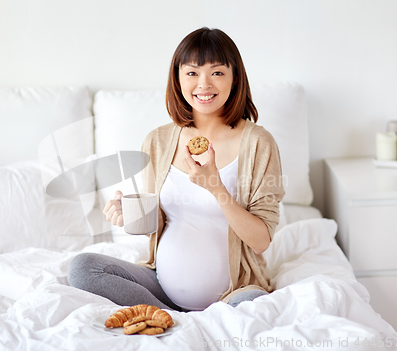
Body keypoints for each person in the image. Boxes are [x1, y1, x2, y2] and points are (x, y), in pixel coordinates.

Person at [68, 27, 285, 312]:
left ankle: (182, 320)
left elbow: (260, 242)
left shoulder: (259, 143)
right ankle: (166, 315)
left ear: (235, 78)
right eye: (192, 73)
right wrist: (129, 213)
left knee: (254, 306)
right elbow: (156, 226)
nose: (204, 84)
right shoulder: (157, 141)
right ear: (178, 78)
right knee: (82, 268)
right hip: (162, 287)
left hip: (234, 293)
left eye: (217, 72)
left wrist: (216, 188)